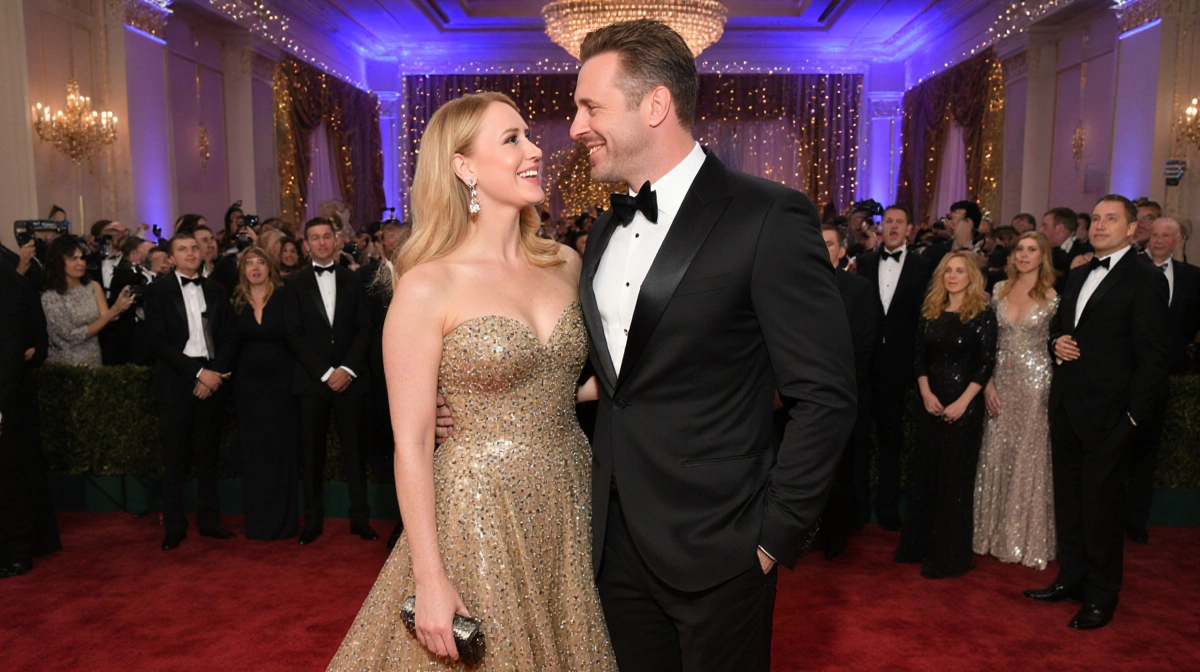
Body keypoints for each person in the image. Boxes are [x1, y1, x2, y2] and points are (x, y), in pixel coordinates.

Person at [570, 21, 854, 672]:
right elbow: (618, 376)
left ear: (655, 105)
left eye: (590, 107)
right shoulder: (607, 226)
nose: (576, 126)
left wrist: (773, 537)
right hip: (613, 543)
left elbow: (825, 395)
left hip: (721, 548)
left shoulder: (768, 216)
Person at [327, 92, 617, 669]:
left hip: (570, 494)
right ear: (464, 167)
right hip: (478, 510)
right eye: (512, 140)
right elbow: (411, 444)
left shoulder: (565, 263)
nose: (535, 150)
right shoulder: (428, 283)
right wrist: (428, 578)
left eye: (528, 135)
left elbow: (563, 385)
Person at [1025, 194, 1169, 630]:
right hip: (1067, 408)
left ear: (1132, 229)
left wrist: (1132, 419)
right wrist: (1056, 343)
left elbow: (1154, 361)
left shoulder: (1146, 279)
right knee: (1068, 502)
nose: (1102, 225)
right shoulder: (1079, 272)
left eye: (1113, 219)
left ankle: (1103, 595)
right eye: (1098, 218)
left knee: (1102, 510)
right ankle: (1071, 579)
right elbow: (1058, 328)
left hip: (1112, 418)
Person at [895, 252, 997, 578]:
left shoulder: (982, 314)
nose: (953, 276)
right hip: (931, 404)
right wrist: (926, 394)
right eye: (948, 271)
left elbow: (986, 363)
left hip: (965, 407)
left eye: (960, 271)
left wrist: (963, 403)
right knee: (926, 473)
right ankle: (918, 545)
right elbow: (919, 358)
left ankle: (949, 556)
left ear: (971, 277)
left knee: (954, 479)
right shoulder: (931, 310)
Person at [283, 217, 376, 546]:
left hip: (351, 380)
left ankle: (360, 518)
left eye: (327, 236)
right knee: (312, 454)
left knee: (355, 452)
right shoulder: (294, 283)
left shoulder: (354, 280)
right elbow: (293, 334)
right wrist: (325, 372)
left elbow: (364, 328)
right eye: (315, 238)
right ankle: (312, 521)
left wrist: (346, 369)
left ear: (336, 240)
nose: (322, 243)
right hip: (312, 381)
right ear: (306, 244)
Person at [143, 233, 239, 550]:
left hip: (212, 379)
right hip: (176, 381)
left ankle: (210, 522)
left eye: (195, 248)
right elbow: (159, 343)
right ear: (171, 258)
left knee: (208, 456)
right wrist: (198, 374)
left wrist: (212, 374)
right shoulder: (157, 291)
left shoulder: (217, 290)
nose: (191, 253)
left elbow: (230, 337)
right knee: (175, 459)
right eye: (182, 249)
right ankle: (174, 526)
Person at [974, 232, 1059, 570]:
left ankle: (1023, 539)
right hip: (999, 381)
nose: (1024, 255)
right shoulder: (998, 290)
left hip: (1036, 384)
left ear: (1043, 257)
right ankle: (989, 534)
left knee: (1028, 456)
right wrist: (987, 384)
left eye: (1031, 250)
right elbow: (987, 343)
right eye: (1020, 249)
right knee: (996, 451)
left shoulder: (1054, 297)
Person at [856, 205, 934, 530]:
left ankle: (887, 506)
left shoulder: (922, 266)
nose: (893, 227)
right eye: (888, 221)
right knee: (859, 437)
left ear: (909, 229)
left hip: (899, 367)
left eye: (899, 222)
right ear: (880, 227)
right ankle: (858, 507)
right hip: (863, 364)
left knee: (891, 439)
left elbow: (924, 318)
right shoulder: (863, 263)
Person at [1123, 217, 1200, 544]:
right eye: (1154, 234)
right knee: (1117, 446)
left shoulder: (1192, 277)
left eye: (1166, 235)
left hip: (1164, 377)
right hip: (1124, 372)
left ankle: (1136, 518)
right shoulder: (1128, 270)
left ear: (1178, 240)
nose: (1158, 240)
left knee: (1147, 448)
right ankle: (1107, 516)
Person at [818, 225, 881, 559]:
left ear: (842, 251)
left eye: (829, 243)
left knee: (841, 468)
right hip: (800, 397)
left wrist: (828, 385)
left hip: (844, 394)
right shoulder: (796, 286)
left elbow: (863, 347)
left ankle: (837, 536)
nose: (821, 247)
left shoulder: (859, 289)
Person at [230, 248, 299, 540]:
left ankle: (284, 524)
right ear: (242, 270)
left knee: (281, 453)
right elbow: (229, 346)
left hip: (282, 389)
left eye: (260, 262)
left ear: (270, 267)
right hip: (248, 391)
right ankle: (258, 524)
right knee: (254, 455)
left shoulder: (284, 298)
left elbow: (296, 338)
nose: (255, 267)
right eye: (249, 263)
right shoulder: (236, 303)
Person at [0, 264, 50, 578]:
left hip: (6, 400)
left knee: (8, 476)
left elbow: (10, 351)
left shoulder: (8, 284)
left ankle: (16, 552)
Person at [40, 237, 134, 367]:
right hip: (65, 365)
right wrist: (114, 310)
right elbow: (70, 336)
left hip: (94, 360)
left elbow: (106, 317)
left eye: (82, 258)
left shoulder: (93, 286)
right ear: (59, 262)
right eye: (74, 259)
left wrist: (120, 303)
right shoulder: (50, 297)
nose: (81, 263)